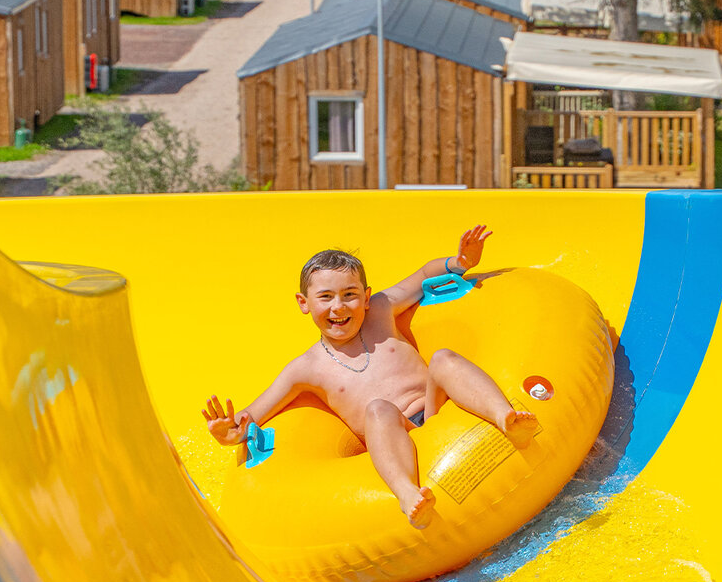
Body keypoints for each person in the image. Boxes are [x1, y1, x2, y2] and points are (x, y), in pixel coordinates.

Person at [202, 226, 536, 530]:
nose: (339, 307)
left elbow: (421, 276)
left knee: (443, 358)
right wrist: (229, 433)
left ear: (365, 295)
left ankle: (504, 418)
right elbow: (254, 415)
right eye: (325, 297)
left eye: (350, 294)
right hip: (393, 431)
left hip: (437, 407)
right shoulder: (304, 368)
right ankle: (408, 494)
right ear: (304, 303)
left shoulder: (379, 310)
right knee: (377, 409)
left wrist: (460, 261)